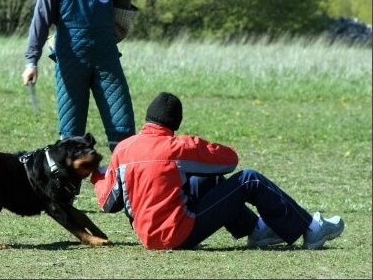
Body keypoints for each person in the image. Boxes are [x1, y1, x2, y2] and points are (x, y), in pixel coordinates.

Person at [91, 92, 345, 250]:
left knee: (205, 181)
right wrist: (198, 146)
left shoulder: (123, 149)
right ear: (175, 124)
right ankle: (311, 229)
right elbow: (230, 161)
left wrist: (95, 174)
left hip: (147, 237)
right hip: (177, 234)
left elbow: (107, 203)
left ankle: (257, 231)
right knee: (250, 179)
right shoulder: (178, 146)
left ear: (147, 118)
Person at [22, 0, 136, 152]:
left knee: (122, 123)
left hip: (106, 59)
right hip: (70, 60)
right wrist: (31, 61)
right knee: (71, 127)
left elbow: (121, 14)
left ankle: (125, 178)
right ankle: (69, 182)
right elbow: (40, 20)